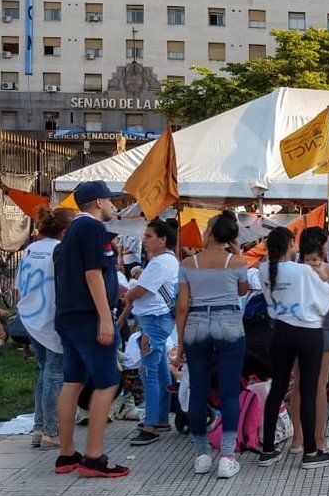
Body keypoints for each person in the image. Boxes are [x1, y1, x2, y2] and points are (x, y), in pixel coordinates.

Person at [52, 180, 128, 477]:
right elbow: (93, 274)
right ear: (98, 202)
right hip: (89, 318)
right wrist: (106, 319)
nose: (113, 206)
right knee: (107, 381)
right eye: (110, 201)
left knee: (73, 382)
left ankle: (66, 453)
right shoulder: (93, 228)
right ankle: (94, 456)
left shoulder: (70, 231)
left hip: (69, 318)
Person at [256, 227, 329, 469]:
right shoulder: (303, 270)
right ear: (291, 243)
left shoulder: (263, 269)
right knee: (310, 388)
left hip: (279, 333)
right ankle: (311, 452)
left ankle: (268, 450)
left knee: (278, 388)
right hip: (307, 332)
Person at [175, 211, 249, 479]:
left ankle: (201, 455)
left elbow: (182, 306)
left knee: (198, 390)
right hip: (228, 321)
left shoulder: (187, 263)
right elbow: (242, 291)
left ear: (210, 233)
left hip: (196, 322)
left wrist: (181, 342)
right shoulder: (238, 261)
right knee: (229, 392)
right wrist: (236, 253)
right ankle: (227, 457)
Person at [18, 207, 75, 450]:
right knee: (54, 374)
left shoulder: (32, 248)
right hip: (50, 318)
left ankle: (39, 428)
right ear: (65, 231)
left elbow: (18, 283)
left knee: (44, 372)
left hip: (30, 315)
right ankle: (52, 431)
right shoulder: (59, 250)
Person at [292, 228, 329, 458]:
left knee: (299, 382)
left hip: (297, 327)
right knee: (319, 386)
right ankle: (319, 439)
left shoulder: (292, 269)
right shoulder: (326, 268)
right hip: (322, 327)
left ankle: (297, 439)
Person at [124, 219, 180, 446]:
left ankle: (151, 425)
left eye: (148, 236)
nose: (144, 241)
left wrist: (127, 293)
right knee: (159, 369)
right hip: (158, 319)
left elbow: (139, 291)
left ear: (162, 239)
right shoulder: (165, 261)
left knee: (148, 372)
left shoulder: (161, 263)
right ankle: (162, 418)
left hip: (155, 321)